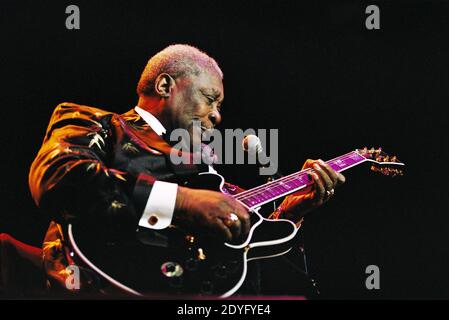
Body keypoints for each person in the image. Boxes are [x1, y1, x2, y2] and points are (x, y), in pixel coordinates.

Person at [28, 44, 345, 297]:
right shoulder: (101, 123)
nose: (217, 116)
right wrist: (183, 203)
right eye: (211, 99)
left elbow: (246, 248)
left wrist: (289, 214)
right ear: (166, 85)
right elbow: (60, 176)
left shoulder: (203, 169)